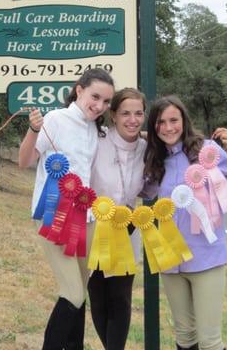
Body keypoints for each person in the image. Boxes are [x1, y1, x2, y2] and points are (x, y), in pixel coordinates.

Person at [142, 95, 227, 350]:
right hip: (171, 262)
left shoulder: (208, 152)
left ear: (184, 120)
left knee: (210, 342)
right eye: (161, 122)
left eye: (174, 120)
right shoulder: (155, 159)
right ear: (154, 126)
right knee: (184, 337)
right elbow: (143, 192)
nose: (168, 127)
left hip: (206, 259)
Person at [18, 68, 115, 350]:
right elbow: (25, 161)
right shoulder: (56, 120)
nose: (99, 106)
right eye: (95, 97)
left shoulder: (96, 128)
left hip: (87, 220)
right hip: (53, 218)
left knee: (79, 294)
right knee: (72, 293)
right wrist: (33, 129)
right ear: (79, 89)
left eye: (107, 102)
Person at [87, 87, 147, 350]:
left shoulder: (147, 148)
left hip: (127, 229)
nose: (132, 119)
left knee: (120, 299)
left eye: (138, 113)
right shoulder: (96, 141)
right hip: (95, 230)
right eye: (125, 113)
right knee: (98, 300)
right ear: (113, 115)